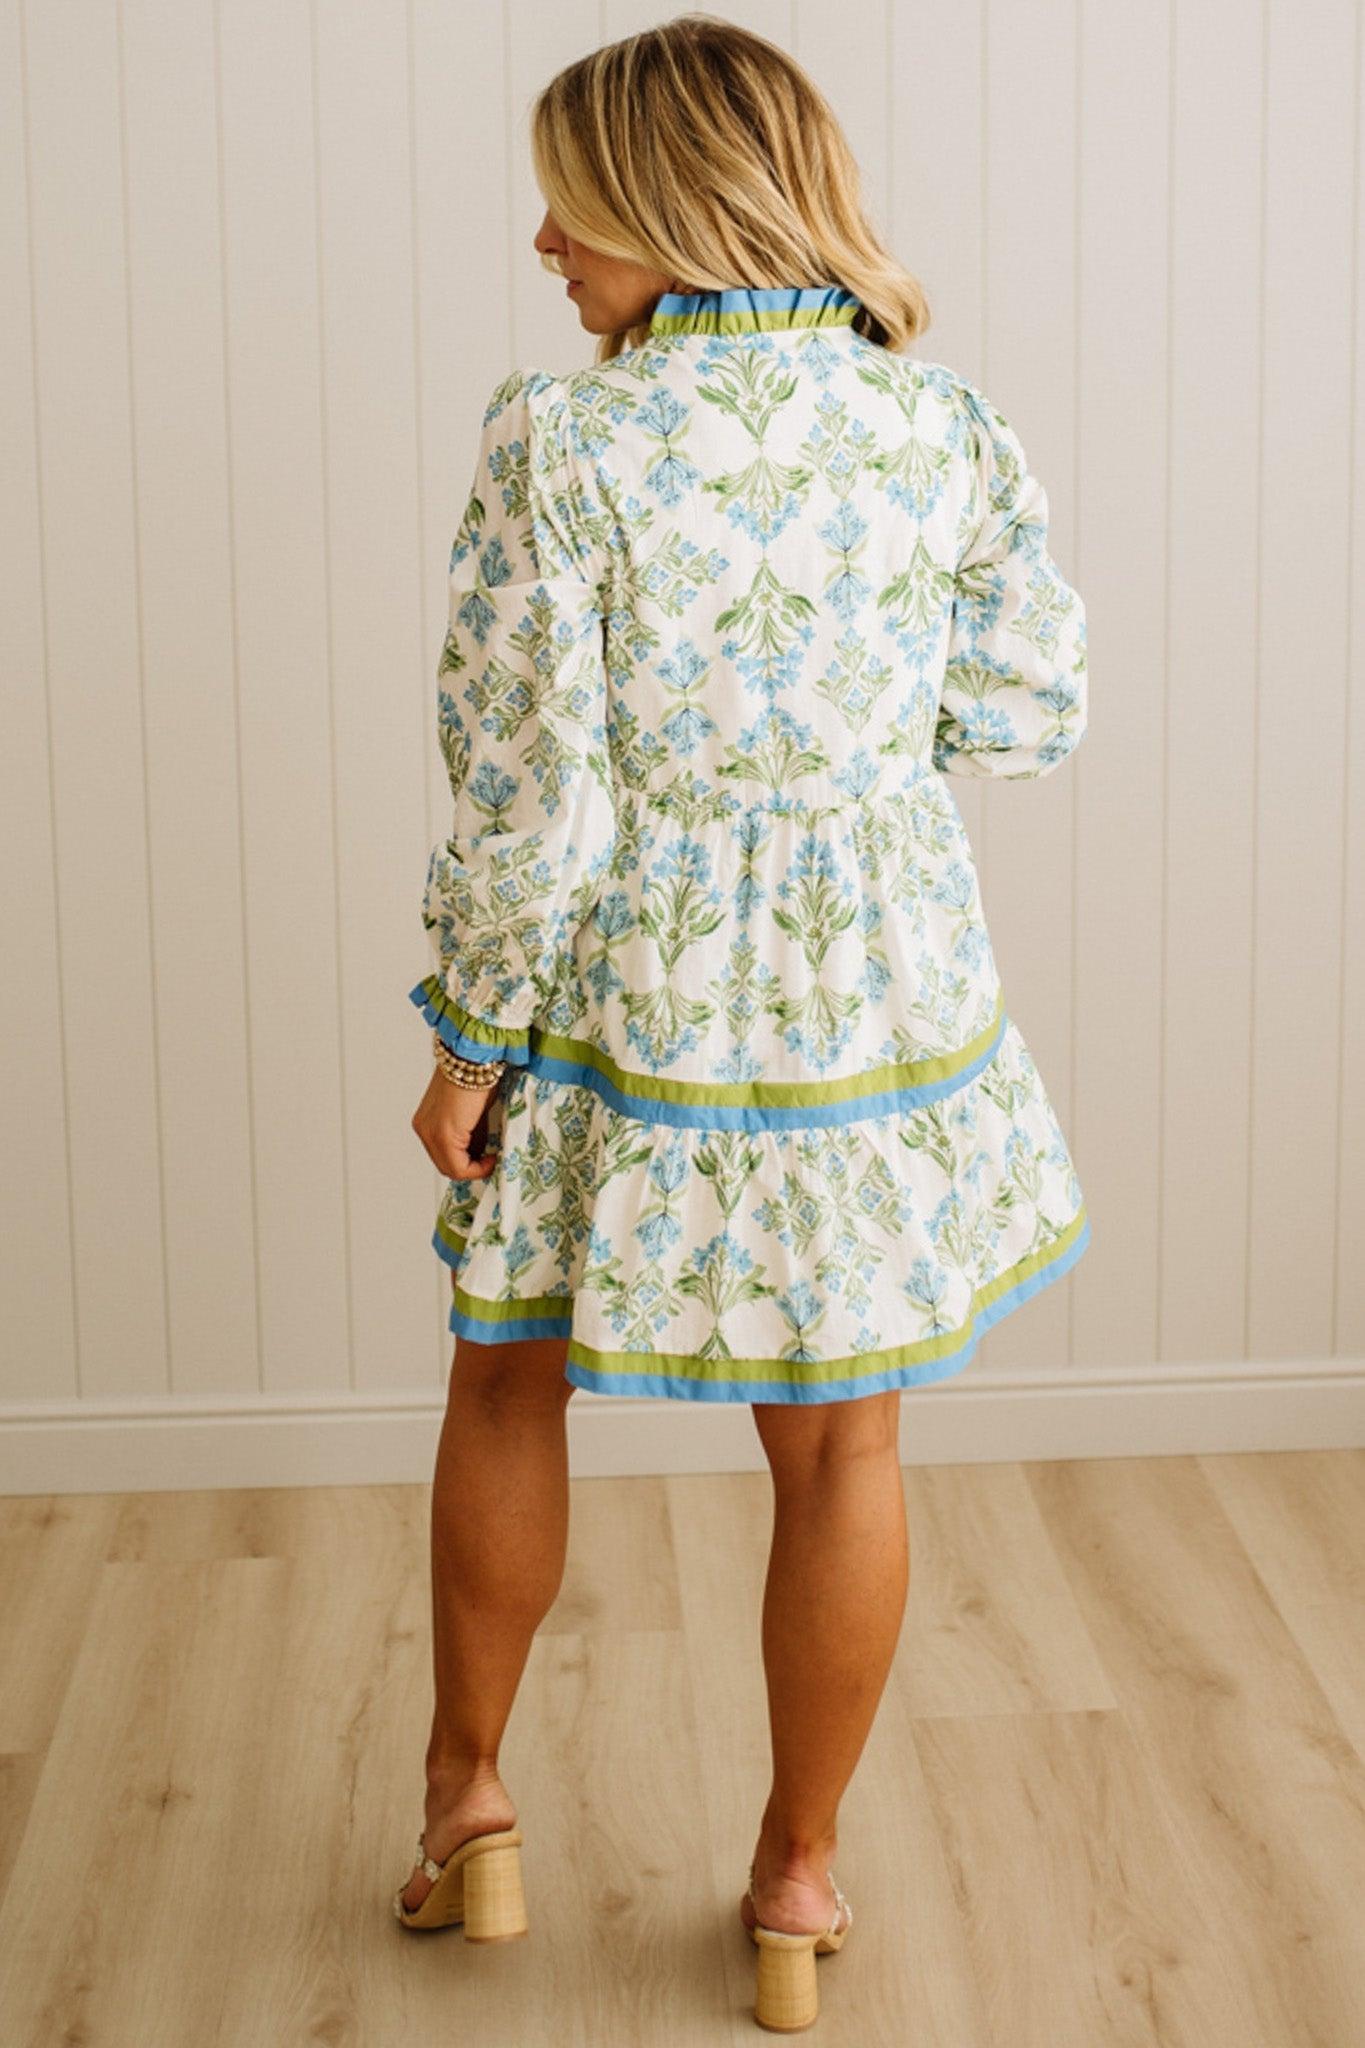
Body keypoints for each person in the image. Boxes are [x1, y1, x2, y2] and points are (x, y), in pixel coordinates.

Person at [395, 13, 1090, 2029]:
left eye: (573, 198)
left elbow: (531, 791)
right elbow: (1031, 713)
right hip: (876, 986)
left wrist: (468, 1035)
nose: (541, 237)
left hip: (623, 982)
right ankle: (797, 1877)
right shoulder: (936, 420)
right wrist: (856, 766)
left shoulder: (565, 441)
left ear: (675, 200)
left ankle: (468, 1801)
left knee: (511, 1368)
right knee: (843, 1432)